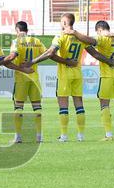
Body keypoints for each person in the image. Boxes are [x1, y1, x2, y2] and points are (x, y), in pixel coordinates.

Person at [0, 21, 54, 145]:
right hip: (34, 77)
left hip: (21, 78)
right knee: (37, 107)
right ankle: (39, 136)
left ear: (16, 30)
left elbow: (12, 57)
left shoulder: (16, 41)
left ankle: (18, 136)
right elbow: (48, 53)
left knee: (18, 107)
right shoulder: (36, 41)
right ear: (27, 29)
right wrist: (34, 61)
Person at [31, 13, 88, 142]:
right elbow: (93, 47)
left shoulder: (60, 36)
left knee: (63, 105)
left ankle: (64, 135)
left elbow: (51, 53)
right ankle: (81, 135)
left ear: (64, 22)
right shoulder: (80, 37)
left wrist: (34, 61)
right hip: (77, 73)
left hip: (64, 75)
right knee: (79, 104)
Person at [81, 21, 114, 140]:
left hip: (107, 75)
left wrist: (80, 38)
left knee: (104, 104)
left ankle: (108, 135)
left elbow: (90, 42)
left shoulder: (102, 38)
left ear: (99, 30)